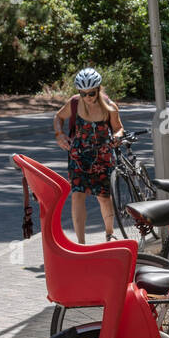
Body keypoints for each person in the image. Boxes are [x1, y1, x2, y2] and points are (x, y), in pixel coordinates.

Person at [53, 68, 124, 243]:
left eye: (91, 93)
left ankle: (109, 233)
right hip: (78, 156)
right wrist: (59, 135)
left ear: (98, 90)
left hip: (103, 157)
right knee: (77, 195)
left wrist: (117, 136)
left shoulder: (109, 106)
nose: (87, 97)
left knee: (104, 197)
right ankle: (81, 243)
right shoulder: (75, 103)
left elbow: (119, 128)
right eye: (83, 93)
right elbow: (58, 117)